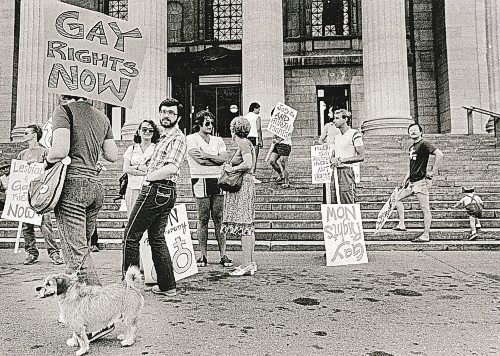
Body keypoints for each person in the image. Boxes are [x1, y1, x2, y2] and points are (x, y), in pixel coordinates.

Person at [47, 95, 118, 284]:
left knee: (77, 255)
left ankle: (100, 306)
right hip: (94, 187)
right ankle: (76, 310)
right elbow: (112, 155)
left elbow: (60, 151)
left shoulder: (64, 110)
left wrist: (45, 159)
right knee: (79, 251)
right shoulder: (103, 117)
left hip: (72, 186)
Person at [122, 98, 187, 297]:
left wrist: (149, 176)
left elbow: (171, 167)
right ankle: (168, 285)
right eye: (164, 112)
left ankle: (129, 288)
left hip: (157, 189)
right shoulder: (165, 138)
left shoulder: (177, 137)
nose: (166, 115)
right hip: (163, 191)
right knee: (157, 238)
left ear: (178, 117)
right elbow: (155, 163)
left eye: (171, 113)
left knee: (131, 236)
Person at [186, 110, 232, 268]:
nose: (210, 126)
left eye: (212, 123)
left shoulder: (218, 139)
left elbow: (225, 158)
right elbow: (199, 161)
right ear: (199, 123)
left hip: (218, 180)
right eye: (207, 123)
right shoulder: (191, 139)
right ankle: (203, 255)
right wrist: (216, 159)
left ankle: (223, 254)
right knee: (203, 218)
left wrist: (207, 155)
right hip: (200, 179)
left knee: (219, 218)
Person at [19, 124, 63, 265]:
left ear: (34, 135)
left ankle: (54, 253)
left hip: (41, 194)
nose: (24, 135)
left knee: (45, 225)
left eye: (26, 133)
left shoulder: (45, 152)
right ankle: (31, 253)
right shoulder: (22, 154)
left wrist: (37, 165)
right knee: (27, 226)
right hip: (25, 193)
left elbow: (50, 170)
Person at [393, 123, 444, 242]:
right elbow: (413, 164)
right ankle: (401, 224)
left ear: (421, 132)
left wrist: (432, 171)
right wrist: (407, 175)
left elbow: (440, 154)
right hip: (412, 181)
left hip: (421, 182)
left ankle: (426, 235)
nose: (413, 132)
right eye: (410, 130)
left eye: (415, 130)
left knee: (425, 208)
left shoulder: (425, 143)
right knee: (397, 199)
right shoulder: (412, 147)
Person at [221, 116, 257, 276]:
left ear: (233, 129)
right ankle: (250, 262)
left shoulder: (242, 143)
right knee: (248, 225)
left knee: (244, 225)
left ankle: (247, 263)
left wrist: (232, 169)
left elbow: (248, 164)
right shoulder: (247, 143)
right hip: (247, 184)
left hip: (243, 186)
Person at [122, 120, 160, 215]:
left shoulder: (157, 150)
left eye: (150, 130)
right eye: (144, 129)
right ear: (139, 131)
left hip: (150, 188)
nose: (147, 132)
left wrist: (134, 168)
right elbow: (126, 169)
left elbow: (155, 170)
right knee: (132, 218)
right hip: (132, 188)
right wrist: (139, 168)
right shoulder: (132, 149)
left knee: (148, 220)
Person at [329, 109, 365, 204]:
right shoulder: (337, 137)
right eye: (334, 118)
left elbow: (361, 156)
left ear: (345, 119)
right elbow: (333, 154)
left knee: (347, 200)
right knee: (334, 199)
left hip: (347, 171)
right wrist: (332, 159)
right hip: (335, 172)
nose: (334, 121)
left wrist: (343, 160)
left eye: (337, 118)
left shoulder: (354, 133)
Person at [269, 108, 292, 189]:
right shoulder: (276, 124)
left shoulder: (287, 123)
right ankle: (281, 174)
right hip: (277, 145)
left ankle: (287, 182)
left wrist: (278, 140)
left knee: (283, 162)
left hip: (285, 144)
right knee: (272, 161)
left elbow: (286, 134)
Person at [245, 102, 263, 183]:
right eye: (258, 109)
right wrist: (260, 140)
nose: (259, 110)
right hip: (254, 137)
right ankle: (252, 175)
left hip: (246, 138)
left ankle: (247, 175)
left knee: (247, 157)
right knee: (254, 157)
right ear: (254, 109)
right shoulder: (257, 117)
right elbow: (258, 129)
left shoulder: (245, 117)